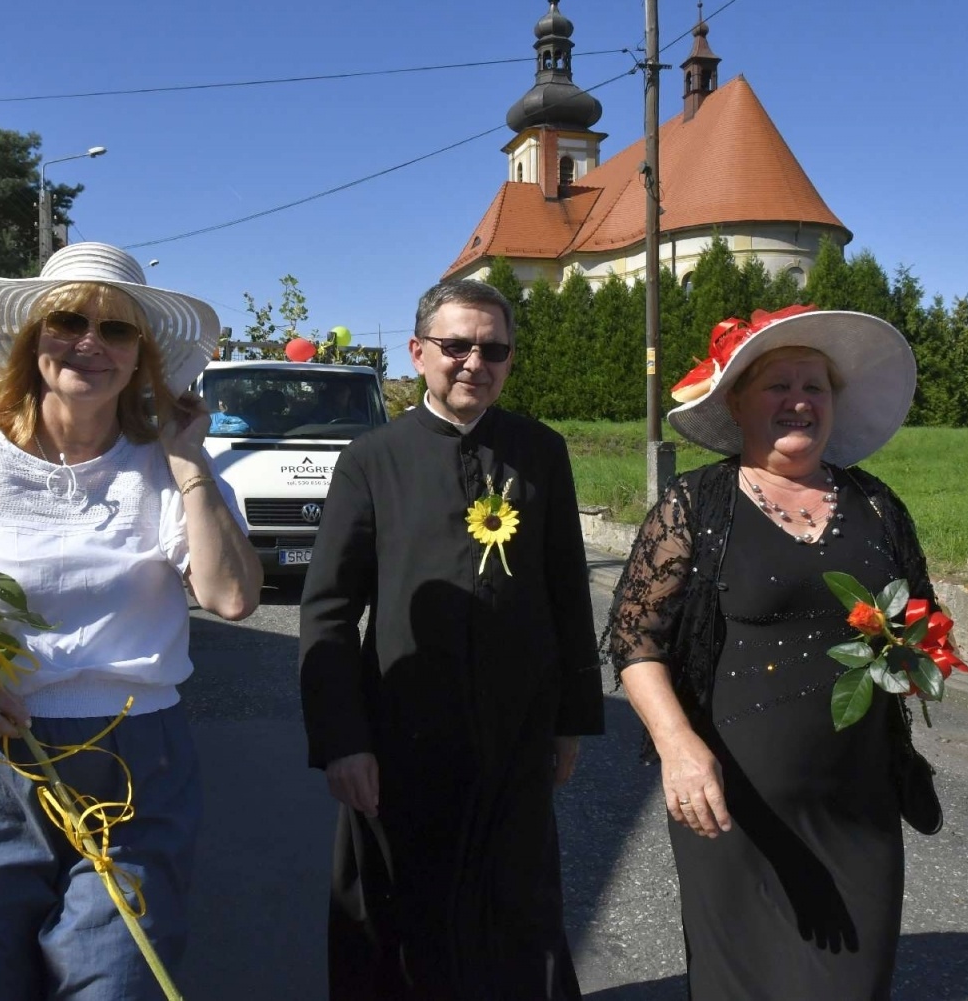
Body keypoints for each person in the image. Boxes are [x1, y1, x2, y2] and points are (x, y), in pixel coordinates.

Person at [0, 241, 262, 999]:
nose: (89, 343)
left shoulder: (169, 464)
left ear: (140, 356)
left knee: (118, 982)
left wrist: (188, 462)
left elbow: (233, 598)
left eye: (116, 330)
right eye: (69, 321)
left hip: (136, 764)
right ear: (31, 338)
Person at [603, 306, 930, 1000]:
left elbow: (920, 623)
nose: (799, 401)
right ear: (738, 402)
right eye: (779, 385)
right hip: (732, 803)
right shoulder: (696, 505)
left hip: (858, 805)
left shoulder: (877, 505)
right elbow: (636, 640)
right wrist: (677, 747)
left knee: (854, 985)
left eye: (815, 386)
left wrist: (916, 657)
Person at [299, 278, 603, 999]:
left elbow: (568, 591)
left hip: (514, 732)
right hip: (403, 736)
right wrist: (342, 740)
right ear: (417, 353)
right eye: (457, 345)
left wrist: (570, 721)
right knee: (405, 918)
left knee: (517, 909)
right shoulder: (372, 458)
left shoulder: (541, 451)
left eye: (493, 349)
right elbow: (330, 609)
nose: (475, 362)